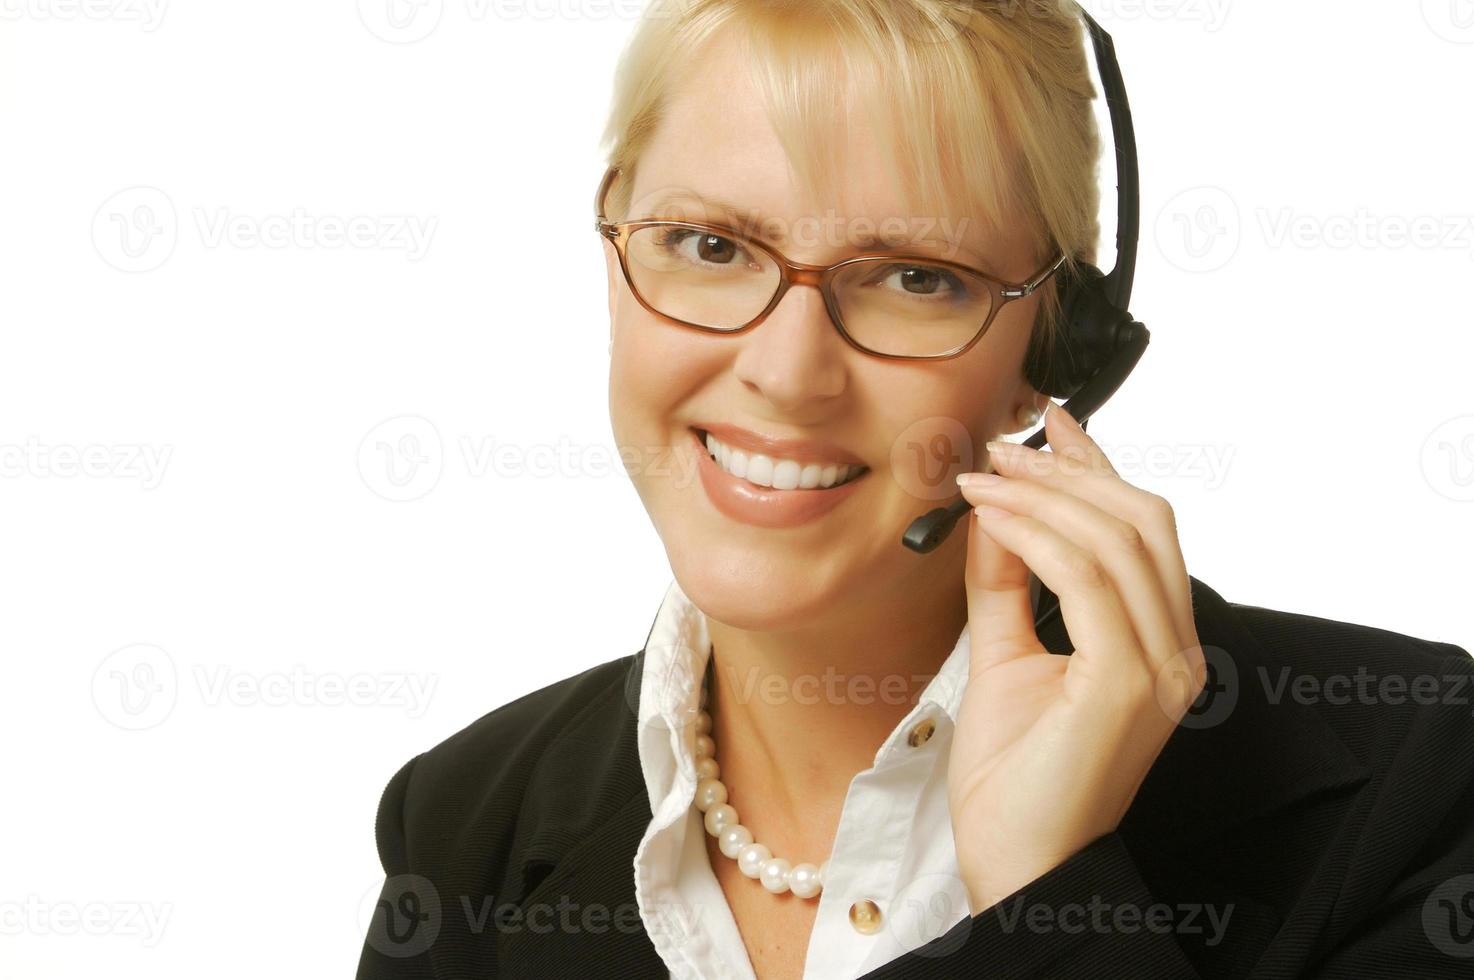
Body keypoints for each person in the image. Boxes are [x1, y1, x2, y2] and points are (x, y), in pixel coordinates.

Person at [356, 2, 1474, 977]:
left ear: (1062, 346)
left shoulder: (1413, 778)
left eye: (914, 277)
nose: (787, 373)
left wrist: (1049, 900)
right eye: (708, 244)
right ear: (614, 263)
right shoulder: (465, 828)